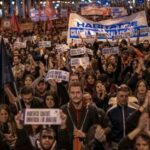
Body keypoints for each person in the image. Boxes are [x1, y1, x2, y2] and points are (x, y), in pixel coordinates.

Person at [60, 82, 100, 149]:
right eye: (72, 93)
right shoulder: (63, 110)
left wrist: (85, 135)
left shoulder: (92, 110)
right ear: (69, 94)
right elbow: (59, 137)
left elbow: (97, 134)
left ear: (82, 93)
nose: (75, 95)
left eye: (78, 92)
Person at [106, 85, 136, 149]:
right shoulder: (110, 112)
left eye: (126, 96)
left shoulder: (134, 111)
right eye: (121, 96)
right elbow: (108, 130)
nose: (124, 98)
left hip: (130, 144)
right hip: (116, 144)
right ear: (117, 97)